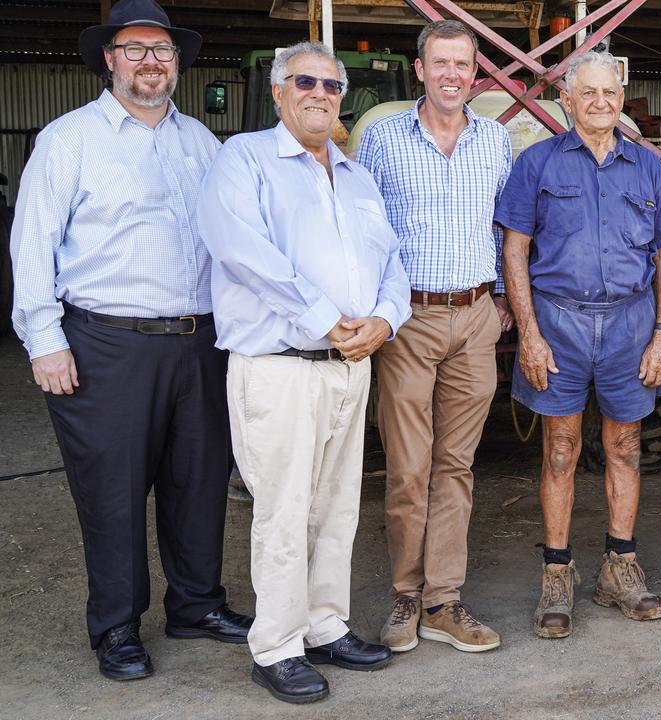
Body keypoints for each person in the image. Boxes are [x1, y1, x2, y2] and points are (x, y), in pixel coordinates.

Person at [9, 0, 251, 682]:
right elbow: (32, 245)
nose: (151, 61)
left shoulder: (202, 141)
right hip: (105, 343)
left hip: (199, 340)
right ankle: (117, 625)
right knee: (112, 493)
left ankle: (197, 605)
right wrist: (43, 339)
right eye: (136, 48)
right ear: (110, 59)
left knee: (198, 482)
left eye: (163, 50)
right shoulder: (70, 139)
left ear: (177, 63)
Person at [198, 42, 410, 704]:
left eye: (329, 84)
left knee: (337, 506)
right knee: (284, 511)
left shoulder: (355, 176)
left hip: (349, 364)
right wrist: (327, 318)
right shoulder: (244, 160)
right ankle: (278, 646)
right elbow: (243, 253)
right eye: (305, 82)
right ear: (280, 92)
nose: (319, 92)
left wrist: (384, 319)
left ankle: (325, 626)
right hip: (280, 367)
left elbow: (391, 259)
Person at [495, 50, 661, 639]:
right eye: (589, 94)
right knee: (560, 448)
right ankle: (558, 571)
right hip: (559, 322)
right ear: (568, 102)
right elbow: (515, 250)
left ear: (619, 98)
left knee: (626, 445)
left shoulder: (650, 167)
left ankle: (620, 565)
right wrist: (528, 332)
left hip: (631, 324)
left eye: (610, 93)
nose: (601, 103)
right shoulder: (537, 163)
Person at [357, 19, 512, 655]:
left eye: (463, 65)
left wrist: (502, 296)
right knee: (409, 465)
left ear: (476, 75)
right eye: (440, 63)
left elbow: (507, 226)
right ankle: (404, 592)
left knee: (457, 465)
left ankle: (444, 601)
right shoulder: (384, 140)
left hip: (475, 315)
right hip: (409, 318)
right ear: (419, 70)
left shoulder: (495, 140)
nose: (452, 75)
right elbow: (363, 230)